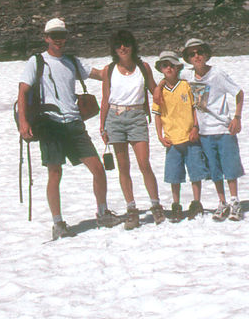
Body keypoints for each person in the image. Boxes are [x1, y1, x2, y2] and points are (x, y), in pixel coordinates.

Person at [16, 17, 120, 239]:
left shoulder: (72, 61)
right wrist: (23, 122)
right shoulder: (36, 61)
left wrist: (124, 63)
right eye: (54, 36)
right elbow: (23, 91)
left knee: (98, 169)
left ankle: (102, 213)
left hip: (73, 123)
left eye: (62, 35)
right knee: (55, 172)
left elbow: (101, 74)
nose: (59, 40)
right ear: (46, 38)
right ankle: (58, 223)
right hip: (50, 123)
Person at [98, 29, 166, 228]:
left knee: (144, 164)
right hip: (115, 118)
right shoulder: (109, 70)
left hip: (137, 117)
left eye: (126, 44)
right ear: (114, 48)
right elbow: (105, 99)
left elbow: (154, 90)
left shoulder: (143, 67)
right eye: (119, 45)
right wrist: (102, 126)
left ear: (133, 46)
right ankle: (132, 209)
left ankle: (156, 205)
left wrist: (166, 83)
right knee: (123, 167)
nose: (123, 48)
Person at [181, 37, 245, 222]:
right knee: (214, 170)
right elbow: (169, 79)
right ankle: (222, 202)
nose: (197, 56)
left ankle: (234, 201)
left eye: (200, 52)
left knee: (230, 168)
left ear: (206, 53)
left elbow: (239, 93)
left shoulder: (217, 74)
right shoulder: (188, 76)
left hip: (223, 129)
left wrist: (237, 118)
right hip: (204, 132)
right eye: (192, 54)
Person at [151, 50, 206, 220]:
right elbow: (158, 115)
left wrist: (196, 127)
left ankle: (196, 203)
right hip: (172, 140)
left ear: (178, 67)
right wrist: (160, 136)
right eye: (164, 65)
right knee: (174, 175)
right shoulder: (159, 92)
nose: (168, 68)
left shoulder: (187, 85)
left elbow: (199, 106)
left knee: (195, 173)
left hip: (190, 137)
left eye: (171, 65)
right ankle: (176, 204)